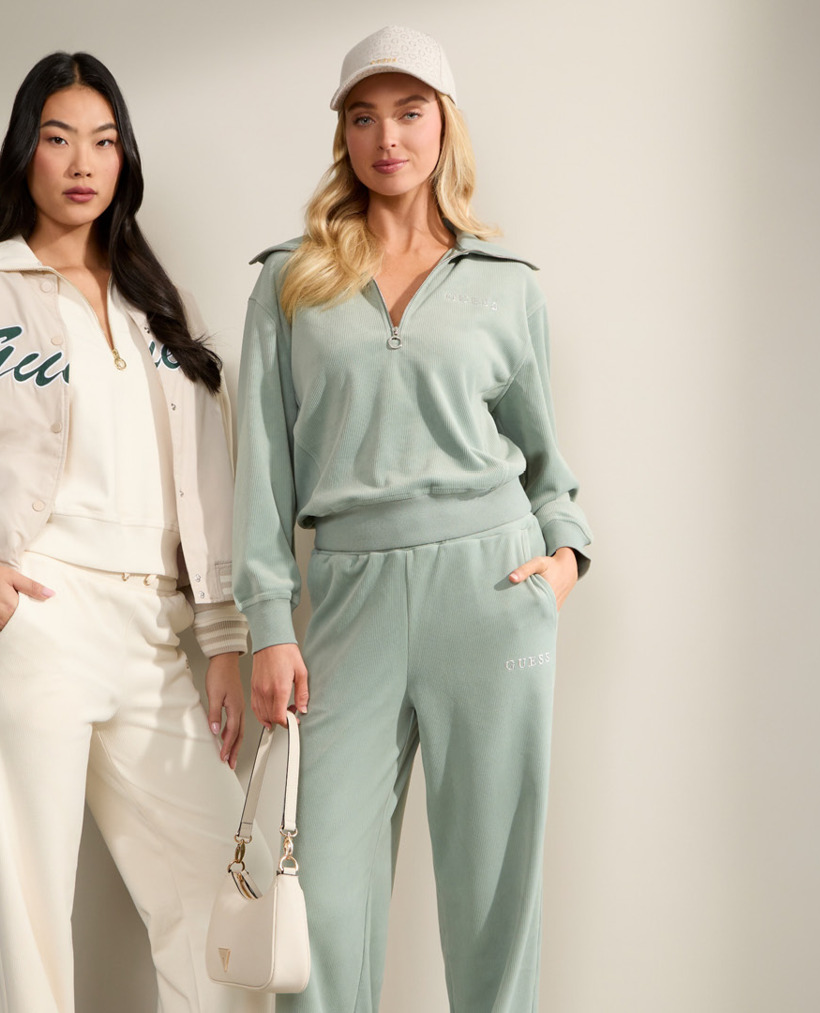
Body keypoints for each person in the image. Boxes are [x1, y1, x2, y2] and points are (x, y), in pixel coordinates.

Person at [0, 52, 259, 1013]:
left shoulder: (163, 309)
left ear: (124, 160)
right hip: (32, 613)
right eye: (57, 138)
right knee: (29, 918)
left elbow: (213, 478)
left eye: (104, 140)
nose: (82, 161)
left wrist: (220, 636)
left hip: (155, 628)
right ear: (24, 152)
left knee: (226, 904)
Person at [233, 25, 595, 1013]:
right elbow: (260, 470)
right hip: (347, 595)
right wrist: (269, 622)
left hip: (491, 590)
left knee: (492, 899)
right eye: (363, 114)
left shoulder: (506, 287)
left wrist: (561, 563)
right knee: (325, 916)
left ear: (445, 125)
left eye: (410, 111)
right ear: (342, 133)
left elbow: (547, 463)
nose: (387, 135)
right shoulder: (288, 281)